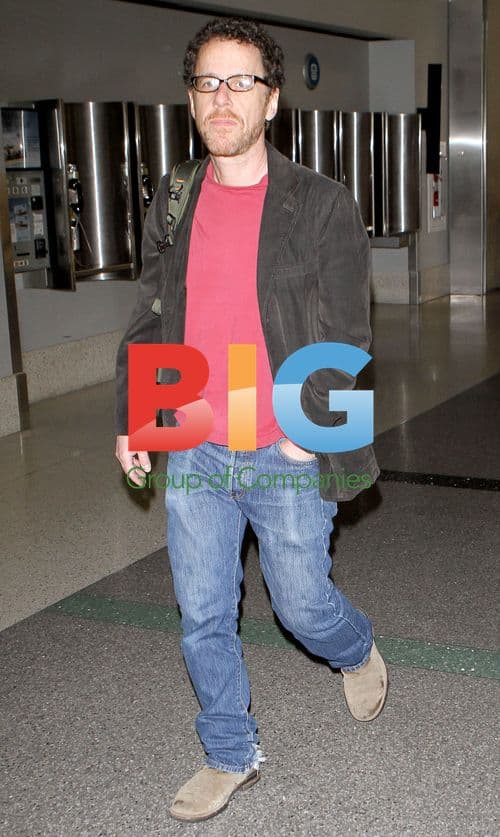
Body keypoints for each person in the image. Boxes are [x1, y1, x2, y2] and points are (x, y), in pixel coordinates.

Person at [115, 16, 387, 823]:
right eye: (207, 82)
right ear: (192, 97)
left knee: (302, 605)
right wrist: (135, 415)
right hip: (196, 431)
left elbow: (349, 331)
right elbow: (151, 313)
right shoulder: (172, 197)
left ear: (271, 100)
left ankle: (356, 645)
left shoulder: (321, 203)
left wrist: (314, 429)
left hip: (284, 438)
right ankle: (230, 750)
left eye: (240, 82)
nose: (221, 98)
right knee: (202, 612)